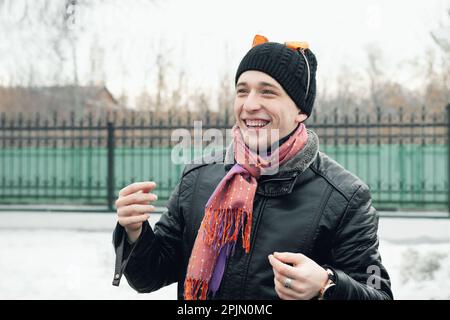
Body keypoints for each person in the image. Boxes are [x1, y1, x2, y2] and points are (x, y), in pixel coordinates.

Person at [112, 35, 393, 300]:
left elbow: (378, 292)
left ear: (300, 111)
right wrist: (135, 231)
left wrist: (326, 285)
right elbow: (149, 276)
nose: (250, 104)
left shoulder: (344, 196)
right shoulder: (198, 177)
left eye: (268, 93)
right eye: (242, 91)